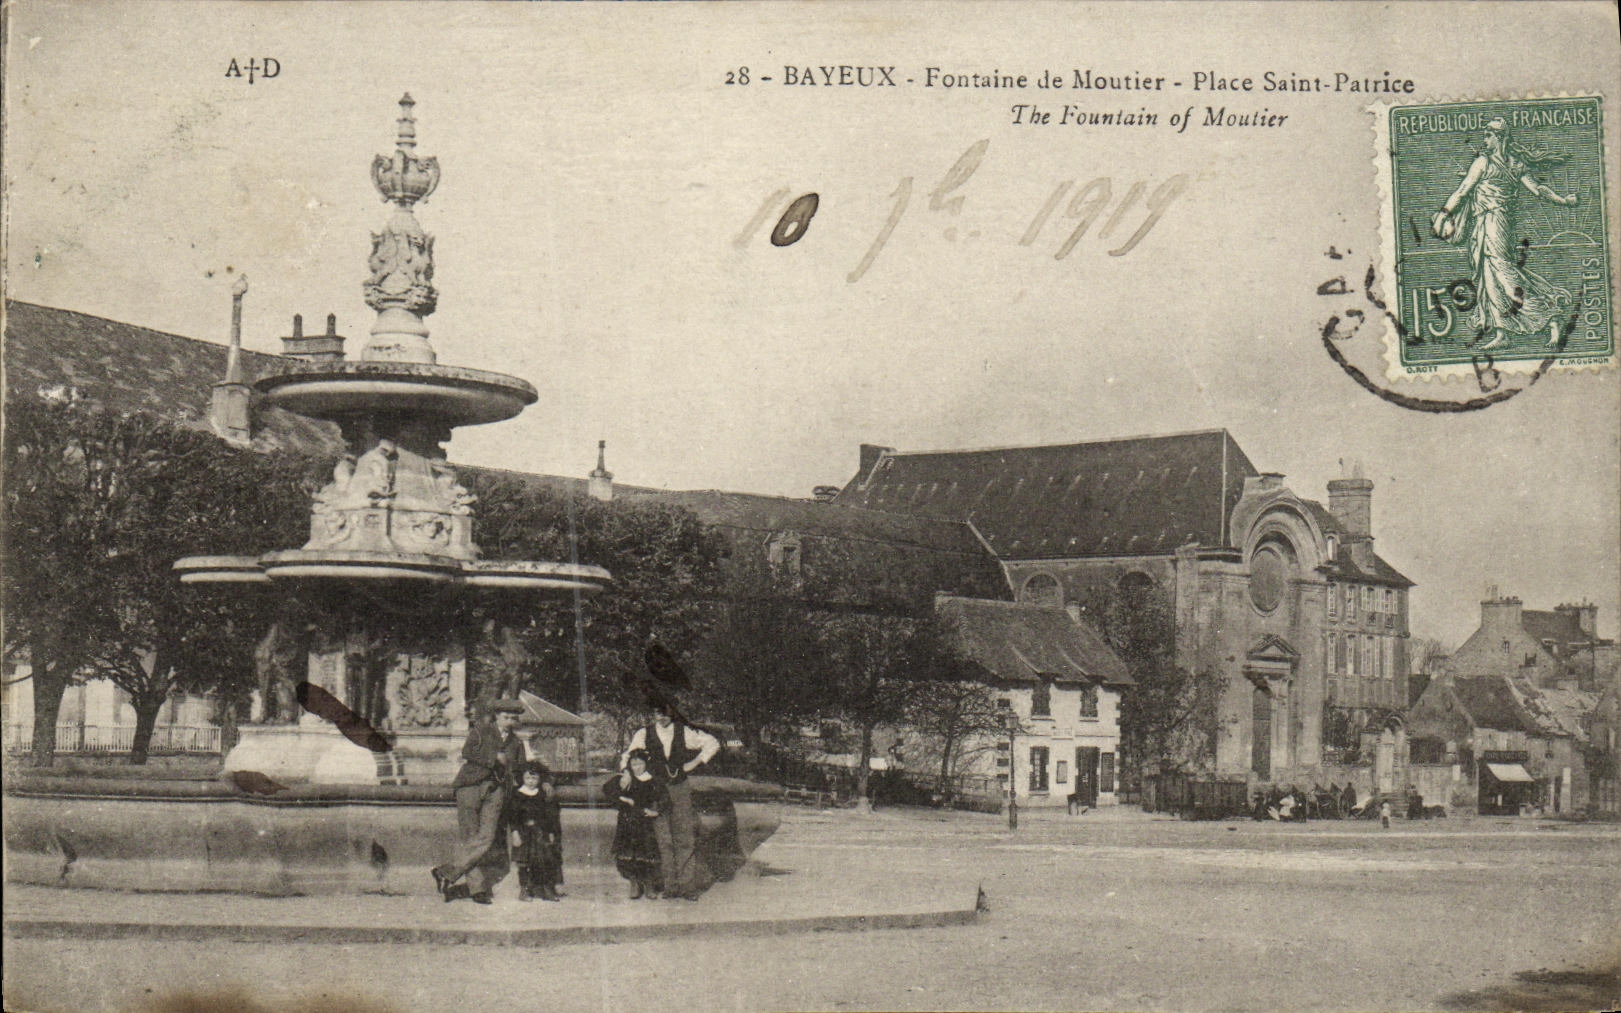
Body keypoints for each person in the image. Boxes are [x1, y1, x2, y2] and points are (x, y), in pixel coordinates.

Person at [1433, 117, 1579, 349]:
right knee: (1490, 276)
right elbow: (1537, 189)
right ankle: (1502, 333)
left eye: (1488, 135)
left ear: (1499, 137)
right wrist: (1563, 200)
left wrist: (1443, 215)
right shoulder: (1506, 163)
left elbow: (1463, 192)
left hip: (1495, 225)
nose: (1485, 140)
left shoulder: (1489, 163)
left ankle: (1551, 318)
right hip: (1488, 225)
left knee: (1504, 275)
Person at [622, 697, 721, 900]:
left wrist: (695, 762)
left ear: (673, 712)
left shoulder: (684, 731)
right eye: (658, 713)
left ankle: (687, 886)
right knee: (663, 839)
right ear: (653, 714)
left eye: (666, 712)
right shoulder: (644, 733)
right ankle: (670, 886)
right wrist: (626, 772)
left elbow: (713, 743)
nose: (662, 717)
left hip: (680, 789)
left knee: (684, 837)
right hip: (656, 790)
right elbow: (629, 756)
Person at [432, 697, 524, 905]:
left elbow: (520, 768)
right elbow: (468, 752)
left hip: (496, 790)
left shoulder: (517, 743)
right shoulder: (481, 731)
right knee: (470, 836)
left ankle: (445, 872)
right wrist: (494, 758)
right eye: (506, 717)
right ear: (497, 717)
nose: (509, 722)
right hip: (470, 786)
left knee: (486, 837)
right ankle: (477, 889)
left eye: (513, 718)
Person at [606, 749, 666, 899]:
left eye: (640, 764)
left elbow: (665, 799)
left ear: (646, 764)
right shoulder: (626, 779)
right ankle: (634, 883)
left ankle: (649, 884)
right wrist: (624, 799)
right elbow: (607, 790)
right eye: (634, 764)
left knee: (646, 852)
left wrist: (656, 812)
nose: (637, 768)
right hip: (627, 822)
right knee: (629, 853)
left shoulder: (653, 781)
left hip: (645, 822)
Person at [508, 760, 562, 902]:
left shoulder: (541, 795)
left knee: (544, 861)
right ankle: (524, 890)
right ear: (522, 778)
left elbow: (548, 816)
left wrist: (550, 832)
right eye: (528, 778)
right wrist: (515, 833)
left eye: (534, 778)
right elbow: (512, 817)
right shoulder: (517, 794)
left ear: (539, 779)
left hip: (540, 833)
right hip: (524, 833)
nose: (531, 781)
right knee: (524, 863)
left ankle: (546, 890)